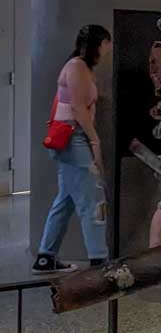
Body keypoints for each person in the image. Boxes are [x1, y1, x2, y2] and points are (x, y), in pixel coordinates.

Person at [31, 24, 112, 273]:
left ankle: (46, 256)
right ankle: (99, 259)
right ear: (98, 44)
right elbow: (77, 108)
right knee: (93, 198)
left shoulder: (82, 68)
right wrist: (94, 141)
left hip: (73, 139)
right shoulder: (77, 67)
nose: (109, 48)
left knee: (65, 201)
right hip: (74, 139)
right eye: (107, 43)